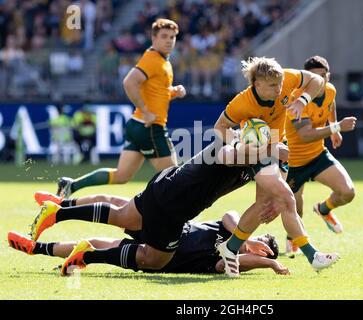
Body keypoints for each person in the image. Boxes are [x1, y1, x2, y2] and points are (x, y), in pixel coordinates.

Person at [23, 140, 293, 276]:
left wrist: (274, 200)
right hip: (174, 208)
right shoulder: (241, 154)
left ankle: (57, 215)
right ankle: (85, 254)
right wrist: (265, 259)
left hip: (165, 188)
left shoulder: (257, 169)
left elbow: (226, 262)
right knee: (154, 259)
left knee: (119, 213)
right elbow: (231, 215)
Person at [213, 57, 339, 277]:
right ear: (257, 85)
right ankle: (313, 255)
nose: (279, 89)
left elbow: (317, 82)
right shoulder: (242, 103)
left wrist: (302, 100)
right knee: (287, 198)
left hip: (279, 146)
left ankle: (230, 248)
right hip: (258, 151)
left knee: (265, 205)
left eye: (280, 84)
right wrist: (239, 137)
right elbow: (220, 127)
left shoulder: (287, 78)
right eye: (273, 86)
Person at [56, 18, 186, 198]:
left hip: (136, 125)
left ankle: (71, 185)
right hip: (150, 127)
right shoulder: (153, 59)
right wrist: (146, 111)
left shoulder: (164, 61)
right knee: (173, 176)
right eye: (164, 36)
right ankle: (163, 215)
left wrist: (173, 92)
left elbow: (156, 91)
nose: (169, 40)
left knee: (121, 175)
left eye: (172, 37)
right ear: (153, 38)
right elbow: (129, 82)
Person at [9, 193, 288, 275]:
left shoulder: (226, 263)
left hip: (159, 252)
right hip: (164, 226)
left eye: (262, 246)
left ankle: (37, 247)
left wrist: (271, 264)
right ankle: (59, 207)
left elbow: (223, 265)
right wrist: (246, 237)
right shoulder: (231, 230)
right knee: (115, 204)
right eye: (260, 241)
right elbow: (230, 215)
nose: (256, 245)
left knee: (94, 244)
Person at [284, 56, 357, 257]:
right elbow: (305, 135)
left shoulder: (330, 89)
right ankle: (293, 239)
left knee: (347, 192)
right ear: (307, 79)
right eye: (315, 78)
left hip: (317, 156)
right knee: (295, 211)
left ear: (328, 76)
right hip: (293, 162)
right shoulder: (296, 99)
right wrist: (336, 127)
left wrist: (333, 130)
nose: (320, 82)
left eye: (323, 77)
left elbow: (330, 104)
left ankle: (324, 209)